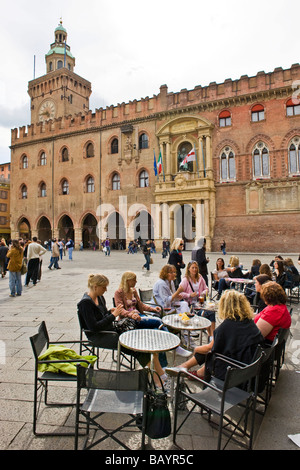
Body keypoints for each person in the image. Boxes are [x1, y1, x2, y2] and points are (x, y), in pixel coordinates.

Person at [77, 274, 169, 387]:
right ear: (95, 287)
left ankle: (161, 375)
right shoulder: (85, 303)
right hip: (100, 336)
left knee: (144, 345)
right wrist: (113, 315)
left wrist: (110, 311)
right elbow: (93, 327)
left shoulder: (99, 297)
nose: (106, 290)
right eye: (104, 287)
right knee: (139, 348)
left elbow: (102, 316)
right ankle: (158, 381)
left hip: (111, 331)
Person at [166, 290, 264, 381]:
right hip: (247, 366)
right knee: (213, 349)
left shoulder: (228, 326)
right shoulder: (248, 322)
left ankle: (192, 370)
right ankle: (186, 367)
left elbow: (209, 348)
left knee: (208, 351)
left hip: (232, 372)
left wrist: (195, 349)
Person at [174, 261, 215, 338]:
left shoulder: (200, 277)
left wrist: (202, 293)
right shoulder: (185, 280)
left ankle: (211, 335)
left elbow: (206, 289)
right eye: (192, 267)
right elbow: (180, 293)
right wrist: (189, 295)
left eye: (196, 267)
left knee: (212, 312)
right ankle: (211, 336)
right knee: (207, 313)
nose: (194, 269)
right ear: (189, 269)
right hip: (191, 306)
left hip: (200, 302)